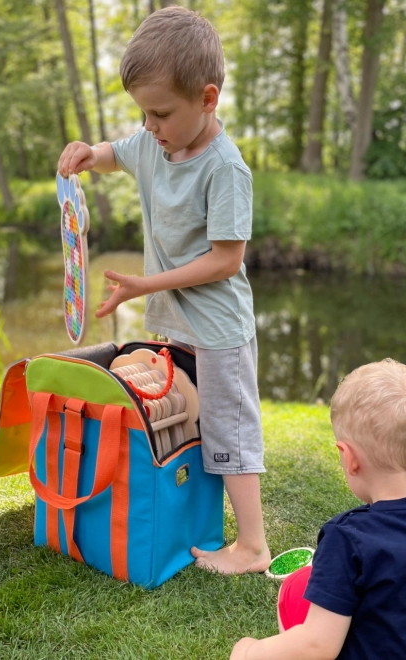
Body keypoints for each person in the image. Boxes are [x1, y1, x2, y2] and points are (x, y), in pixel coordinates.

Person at [57, 6, 270, 575]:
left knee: (230, 433)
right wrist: (87, 153)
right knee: (189, 424)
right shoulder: (154, 143)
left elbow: (226, 260)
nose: (148, 125)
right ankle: (189, 517)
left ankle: (253, 546)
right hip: (178, 324)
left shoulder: (226, 170)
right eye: (142, 113)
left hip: (220, 330)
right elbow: (115, 154)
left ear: (207, 98)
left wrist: (143, 286)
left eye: (159, 113)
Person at [231, 359, 406, 659]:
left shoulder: (347, 538)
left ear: (349, 458)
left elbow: (317, 646)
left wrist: (248, 651)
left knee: (296, 590)